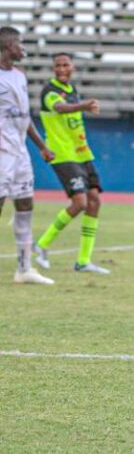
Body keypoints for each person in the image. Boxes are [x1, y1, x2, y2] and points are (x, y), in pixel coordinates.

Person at [33, 52, 109, 274]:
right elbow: (60, 108)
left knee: (94, 201)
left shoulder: (71, 91)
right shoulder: (50, 91)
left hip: (83, 154)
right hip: (63, 154)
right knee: (80, 203)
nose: (62, 69)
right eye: (58, 65)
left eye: (66, 64)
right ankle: (42, 243)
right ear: (53, 68)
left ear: (73, 67)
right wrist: (85, 105)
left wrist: (83, 105)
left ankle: (83, 261)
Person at [0, 26, 54, 284]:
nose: (22, 47)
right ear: (8, 45)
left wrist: (41, 146)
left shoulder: (20, 76)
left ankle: (24, 268)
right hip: (1, 152)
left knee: (25, 204)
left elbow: (25, 117)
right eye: (19, 43)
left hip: (19, 152)